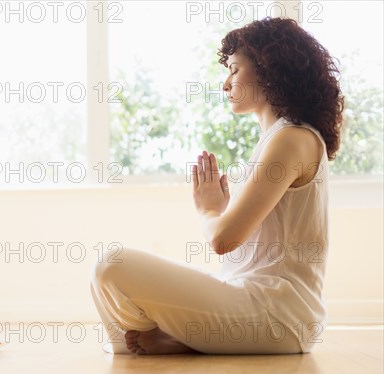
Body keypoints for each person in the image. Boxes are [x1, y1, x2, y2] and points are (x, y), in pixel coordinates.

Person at [90, 17, 344, 355]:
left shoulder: (292, 138)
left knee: (112, 265)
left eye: (235, 70)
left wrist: (209, 209)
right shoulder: (278, 138)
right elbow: (250, 251)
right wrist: (223, 211)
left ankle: (169, 344)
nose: (226, 84)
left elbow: (222, 239)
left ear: (269, 70)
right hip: (253, 302)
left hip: (277, 316)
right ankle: (166, 345)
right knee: (105, 277)